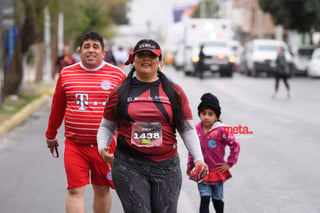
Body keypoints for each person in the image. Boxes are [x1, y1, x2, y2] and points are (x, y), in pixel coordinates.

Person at [97, 39, 208, 213]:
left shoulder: (174, 92)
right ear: (134, 60)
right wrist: (102, 147)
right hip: (129, 166)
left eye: (152, 56)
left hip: (167, 167)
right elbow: (106, 126)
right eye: (141, 55)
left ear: (160, 62)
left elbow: (186, 128)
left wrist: (198, 159)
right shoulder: (120, 92)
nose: (146, 59)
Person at [45, 31, 126, 213]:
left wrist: (124, 140)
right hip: (75, 145)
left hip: (105, 147)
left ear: (103, 53)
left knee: (102, 188)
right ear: (79, 51)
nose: (91, 50)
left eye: (95, 47)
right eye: (86, 46)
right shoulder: (66, 74)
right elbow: (57, 109)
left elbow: (124, 112)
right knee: (74, 190)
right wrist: (50, 135)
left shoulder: (117, 76)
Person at [187, 93, 240, 213]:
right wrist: (190, 165)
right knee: (204, 198)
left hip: (217, 172)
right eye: (203, 113)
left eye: (210, 114)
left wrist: (229, 163)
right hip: (202, 171)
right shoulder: (196, 130)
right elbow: (192, 149)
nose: (206, 117)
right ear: (199, 114)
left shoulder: (222, 130)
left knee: (217, 200)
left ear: (216, 116)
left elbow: (235, 144)